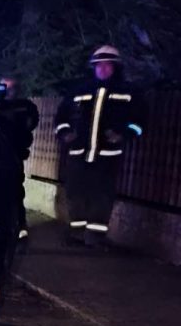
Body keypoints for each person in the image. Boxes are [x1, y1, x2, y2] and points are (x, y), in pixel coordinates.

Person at [53, 46, 144, 247]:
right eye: (98, 65)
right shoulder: (79, 91)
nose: (102, 69)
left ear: (116, 67)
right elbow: (61, 117)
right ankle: (76, 232)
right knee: (76, 192)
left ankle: (95, 236)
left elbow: (139, 122)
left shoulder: (128, 92)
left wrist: (123, 134)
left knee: (102, 195)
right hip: (79, 153)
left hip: (107, 155)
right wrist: (65, 133)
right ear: (93, 67)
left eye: (107, 65)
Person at [0, 76, 39, 239]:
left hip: (14, 154)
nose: (8, 91)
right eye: (3, 87)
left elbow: (30, 124)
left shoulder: (25, 106)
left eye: (11, 87)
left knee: (15, 190)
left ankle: (19, 224)